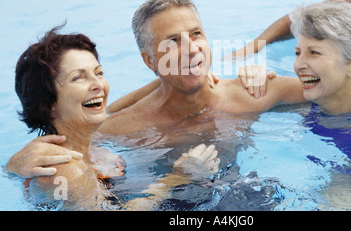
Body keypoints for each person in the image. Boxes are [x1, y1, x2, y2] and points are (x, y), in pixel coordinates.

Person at [7, 0, 351, 180]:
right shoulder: (119, 126)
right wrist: (14, 165)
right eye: (172, 41)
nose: (190, 49)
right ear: (149, 60)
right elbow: (70, 136)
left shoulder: (253, 93)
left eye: (197, 34)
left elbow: (341, 83)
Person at [12, 25, 220, 210]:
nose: (98, 85)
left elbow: (112, 109)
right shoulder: (67, 169)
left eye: (99, 73)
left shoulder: (85, 149)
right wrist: (175, 178)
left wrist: (191, 79)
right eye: (78, 77)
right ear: (49, 103)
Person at [241, 1, 351, 172]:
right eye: (298, 53)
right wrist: (253, 75)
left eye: (314, 52)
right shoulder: (307, 100)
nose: (298, 65)